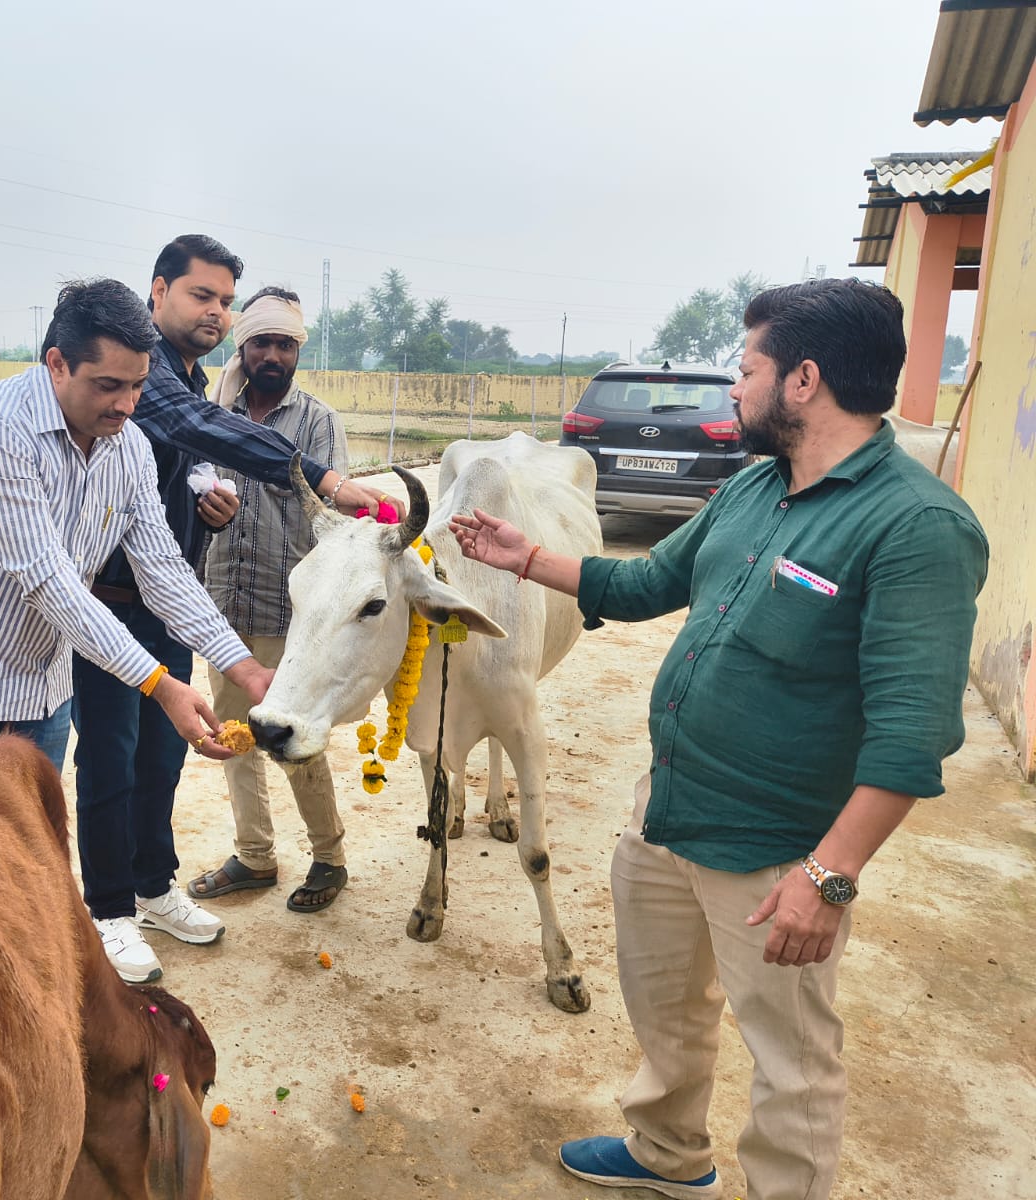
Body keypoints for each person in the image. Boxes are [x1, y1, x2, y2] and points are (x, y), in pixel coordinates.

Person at [450, 278, 987, 1200]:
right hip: (667, 811)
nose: (734, 389)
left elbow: (912, 737)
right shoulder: (753, 488)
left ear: (803, 380)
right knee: (665, 1007)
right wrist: (525, 557)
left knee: (792, 1059)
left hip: (776, 853)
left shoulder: (917, 526)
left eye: (746, 369)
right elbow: (646, 584)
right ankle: (668, 1154)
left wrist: (826, 879)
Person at [70, 235, 397, 985]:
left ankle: (153, 888)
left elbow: (168, 492)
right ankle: (109, 909)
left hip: (175, 597)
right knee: (111, 760)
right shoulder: (149, 373)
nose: (215, 312)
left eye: (224, 300)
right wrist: (323, 477)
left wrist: (205, 506)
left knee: (161, 757)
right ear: (158, 291)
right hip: (108, 603)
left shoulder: (202, 383)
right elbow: (192, 427)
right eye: (202, 296)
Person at [0, 276, 270, 788]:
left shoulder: (128, 447)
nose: (127, 404)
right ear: (58, 364)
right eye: (108, 385)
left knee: (30, 830)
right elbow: (47, 579)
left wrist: (245, 668)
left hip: (42, 684)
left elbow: (163, 569)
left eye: (138, 385)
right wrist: (160, 683)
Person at [187, 287, 351, 913]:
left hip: (291, 617)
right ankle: (254, 856)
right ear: (244, 347)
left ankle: (329, 857)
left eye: (286, 344)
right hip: (224, 606)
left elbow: (334, 520)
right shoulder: (212, 415)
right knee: (234, 737)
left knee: (296, 742)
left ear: (297, 350)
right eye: (263, 343)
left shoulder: (317, 422)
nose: (274, 355)